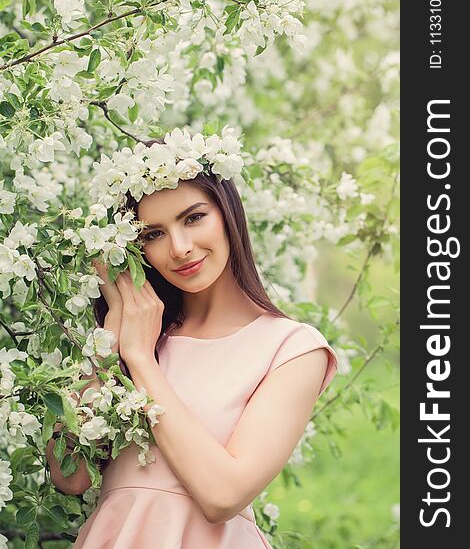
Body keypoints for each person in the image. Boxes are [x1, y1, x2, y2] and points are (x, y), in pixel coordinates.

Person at [52, 134, 339, 548]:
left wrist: (141, 362)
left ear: (227, 214)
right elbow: (70, 476)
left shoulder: (292, 349)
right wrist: (111, 346)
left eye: (193, 218)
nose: (181, 249)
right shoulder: (137, 334)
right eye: (153, 234)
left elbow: (222, 495)